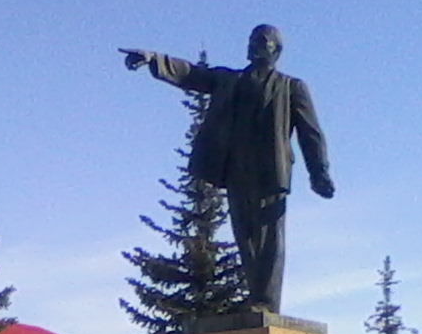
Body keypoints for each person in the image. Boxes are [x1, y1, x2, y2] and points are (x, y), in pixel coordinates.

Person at [121, 24, 333, 313]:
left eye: (262, 41)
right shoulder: (229, 80)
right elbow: (192, 74)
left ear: (277, 50)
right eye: (251, 40)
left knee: (269, 239)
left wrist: (319, 173)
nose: (253, 45)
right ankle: (255, 299)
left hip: (271, 173)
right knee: (244, 236)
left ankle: (266, 302)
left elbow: (311, 132)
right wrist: (154, 59)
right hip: (236, 169)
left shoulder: (291, 87)